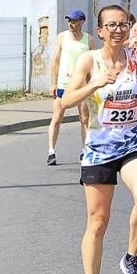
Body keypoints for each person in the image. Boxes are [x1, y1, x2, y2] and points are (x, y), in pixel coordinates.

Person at [61, 5, 137, 274]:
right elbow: (66, 100)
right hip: (99, 149)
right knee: (98, 222)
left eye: (123, 24)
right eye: (111, 25)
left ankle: (131, 257)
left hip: (130, 143)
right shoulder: (89, 61)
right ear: (100, 31)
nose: (118, 30)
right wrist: (95, 83)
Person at [47, 10, 92, 166]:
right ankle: (51, 151)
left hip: (81, 85)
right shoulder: (62, 37)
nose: (71, 24)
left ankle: (85, 150)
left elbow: (93, 63)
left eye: (74, 21)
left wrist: (91, 83)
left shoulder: (89, 40)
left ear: (82, 22)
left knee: (84, 118)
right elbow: (55, 61)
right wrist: (53, 83)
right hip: (63, 84)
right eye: (70, 21)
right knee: (57, 117)